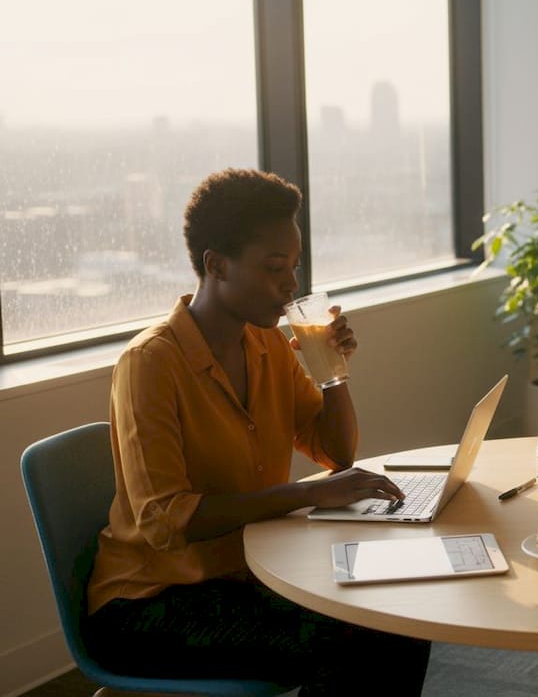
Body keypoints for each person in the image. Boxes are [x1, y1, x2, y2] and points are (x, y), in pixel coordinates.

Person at [84, 169, 430, 694]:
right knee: (363, 639)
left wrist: (332, 372)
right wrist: (304, 494)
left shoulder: (265, 344)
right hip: (150, 601)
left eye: (294, 266)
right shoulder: (151, 363)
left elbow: (335, 451)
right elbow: (165, 522)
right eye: (274, 268)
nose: (291, 284)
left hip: (247, 575)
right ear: (216, 265)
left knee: (397, 616)